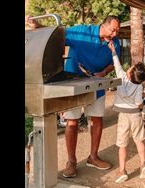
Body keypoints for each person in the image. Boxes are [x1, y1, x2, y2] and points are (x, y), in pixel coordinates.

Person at [25, 15, 121, 178]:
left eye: (118, 31)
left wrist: (104, 72)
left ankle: (93, 157)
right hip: (74, 85)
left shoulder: (115, 42)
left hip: (96, 84)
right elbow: (56, 34)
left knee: (97, 119)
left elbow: (113, 61)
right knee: (72, 121)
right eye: (113, 30)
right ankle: (71, 161)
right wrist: (37, 25)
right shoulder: (82, 32)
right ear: (103, 26)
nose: (115, 34)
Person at [107, 40, 145, 183]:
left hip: (123, 115)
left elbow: (117, 64)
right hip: (135, 115)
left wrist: (113, 51)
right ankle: (143, 164)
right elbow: (139, 103)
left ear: (130, 74)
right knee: (139, 140)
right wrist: (141, 104)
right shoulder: (139, 85)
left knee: (122, 144)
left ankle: (122, 170)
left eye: (131, 68)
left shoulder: (121, 77)